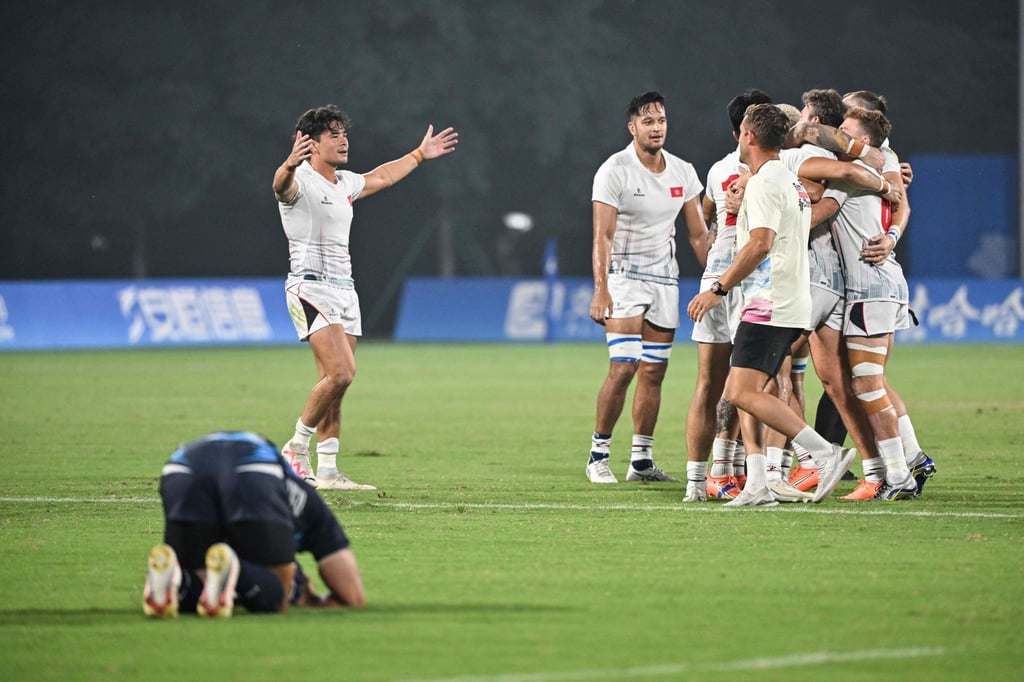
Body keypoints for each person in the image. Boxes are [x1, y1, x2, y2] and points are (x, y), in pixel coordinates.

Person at [273, 105, 458, 490]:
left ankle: (327, 471)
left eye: (344, 133)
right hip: (311, 287)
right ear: (310, 144)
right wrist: (288, 165)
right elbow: (280, 187)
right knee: (342, 372)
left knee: (335, 382)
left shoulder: (343, 182)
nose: (343, 140)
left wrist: (420, 154)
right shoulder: (301, 180)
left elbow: (383, 177)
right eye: (333, 134)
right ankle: (295, 447)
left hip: (344, 289)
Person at [687, 103, 855, 507]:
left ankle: (822, 453)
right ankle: (759, 484)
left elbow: (760, 244)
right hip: (787, 300)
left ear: (749, 137)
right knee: (754, 389)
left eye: (743, 131)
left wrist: (719, 288)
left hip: (768, 303)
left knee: (741, 391)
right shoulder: (790, 181)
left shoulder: (764, 183)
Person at [586, 91, 708, 484]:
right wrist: (601, 288)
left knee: (654, 372)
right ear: (632, 127)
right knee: (624, 367)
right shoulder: (614, 170)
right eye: (648, 122)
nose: (657, 128)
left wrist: (719, 284)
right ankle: (598, 454)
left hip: (664, 281)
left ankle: (641, 461)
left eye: (661, 121)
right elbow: (602, 236)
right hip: (623, 277)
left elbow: (697, 235)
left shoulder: (683, 171)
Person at [809, 107, 920, 500]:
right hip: (876, 286)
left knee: (869, 386)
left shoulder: (852, 179)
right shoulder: (875, 168)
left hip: (871, 287)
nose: (839, 135)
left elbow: (814, 212)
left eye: (847, 131)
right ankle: (905, 465)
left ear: (865, 142)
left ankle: (898, 475)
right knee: (868, 384)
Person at [142, 431, 366, 618]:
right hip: (255, 469)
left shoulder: (300, 498)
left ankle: (176, 580)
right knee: (276, 598)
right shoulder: (309, 505)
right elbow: (353, 597)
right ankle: (237, 573)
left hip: (181, 467)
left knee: (199, 576)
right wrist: (304, 595)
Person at [684, 88, 772, 502]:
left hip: (715, 275)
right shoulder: (772, 169)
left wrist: (711, 258)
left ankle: (700, 481)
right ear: (749, 131)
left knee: (709, 382)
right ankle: (750, 471)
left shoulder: (717, 169)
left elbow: (704, 215)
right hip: (749, 280)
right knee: (756, 382)